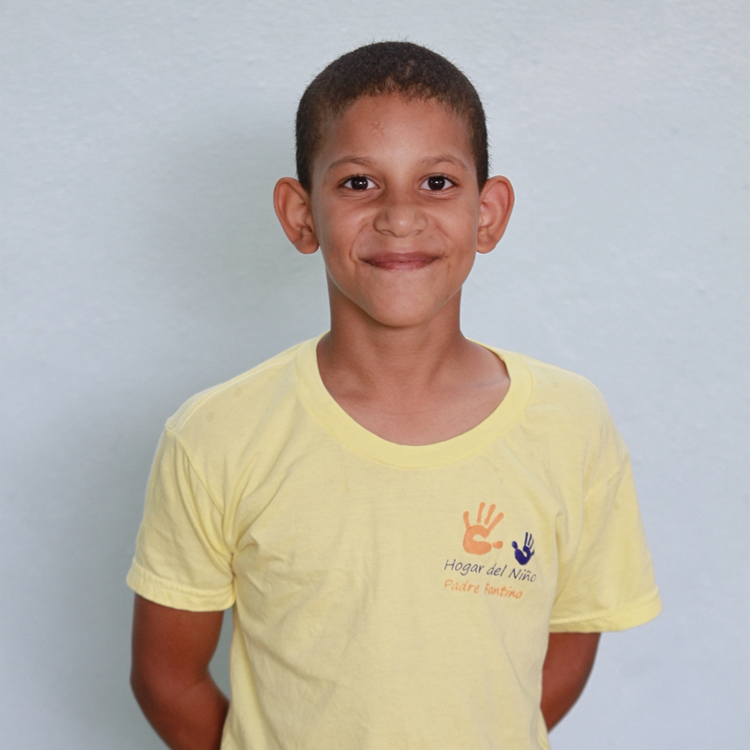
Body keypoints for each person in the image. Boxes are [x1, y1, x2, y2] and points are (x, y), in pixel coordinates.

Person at [127, 41, 662, 750]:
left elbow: (567, 637)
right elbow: (167, 678)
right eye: (359, 183)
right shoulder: (216, 435)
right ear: (300, 215)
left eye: (437, 182)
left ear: (488, 213)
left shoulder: (571, 423)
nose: (400, 216)